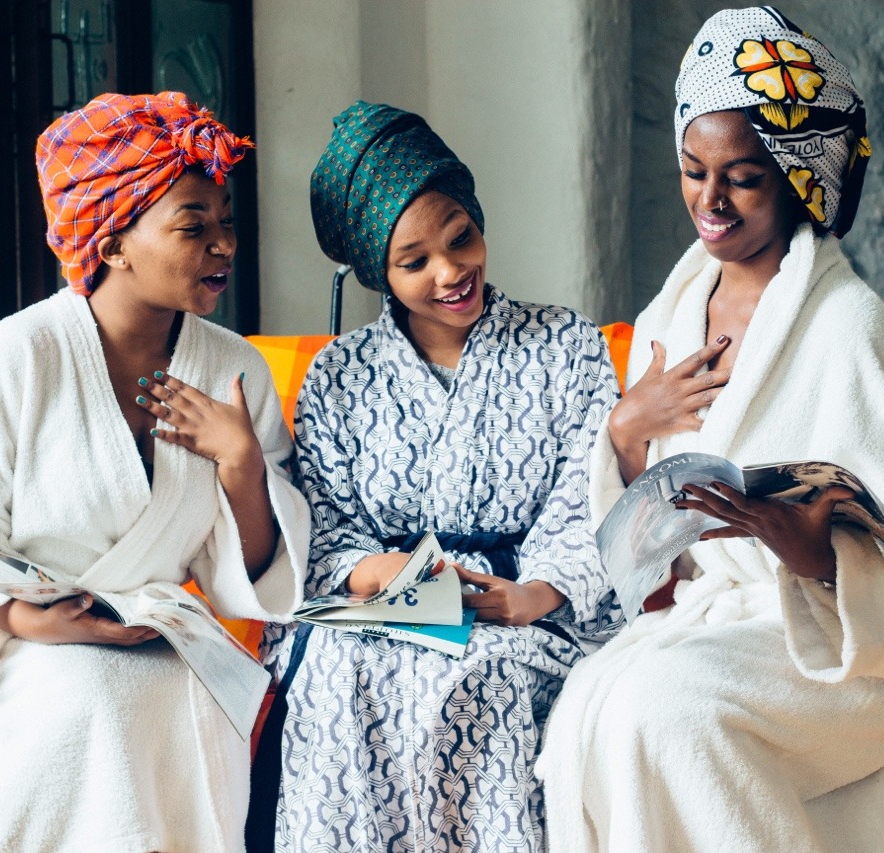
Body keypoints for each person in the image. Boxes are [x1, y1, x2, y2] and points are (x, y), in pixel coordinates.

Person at [536, 8, 884, 852]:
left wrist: (804, 546)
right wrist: (628, 432)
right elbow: (638, 548)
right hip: (726, 612)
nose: (710, 199)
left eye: (741, 176)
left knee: (666, 711)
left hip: (876, 634)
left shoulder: (850, 325)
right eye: (692, 169)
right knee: (592, 711)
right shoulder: (672, 311)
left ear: (798, 178)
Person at [0, 91, 310, 852]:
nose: (224, 244)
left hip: (144, 627)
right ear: (111, 244)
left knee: (194, 700)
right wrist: (26, 616)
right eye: (193, 226)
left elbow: (255, 578)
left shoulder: (231, 370)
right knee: (90, 702)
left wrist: (240, 463)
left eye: (226, 221)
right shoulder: (18, 357)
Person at [260, 101, 621, 852]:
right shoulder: (337, 376)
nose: (452, 272)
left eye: (462, 238)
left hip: (526, 608)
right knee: (335, 674)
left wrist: (534, 593)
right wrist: (376, 572)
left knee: (483, 682)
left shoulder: (568, 345)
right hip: (384, 602)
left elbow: (587, 498)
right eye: (415, 261)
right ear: (377, 273)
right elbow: (323, 531)